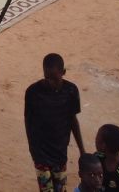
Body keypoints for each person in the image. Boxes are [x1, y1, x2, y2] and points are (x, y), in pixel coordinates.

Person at [24, 52, 85, 192]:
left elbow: (73, 121)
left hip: (60, 153)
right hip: (41, 154)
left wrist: (82, 150)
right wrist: (33, 148)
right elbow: (28, 121)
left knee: (60, 188)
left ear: (64, 72)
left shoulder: (71, 91)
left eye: (55, 79)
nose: (51, 83)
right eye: (48, 78)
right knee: (46, 189)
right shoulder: (33, 92)